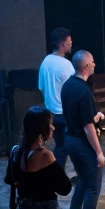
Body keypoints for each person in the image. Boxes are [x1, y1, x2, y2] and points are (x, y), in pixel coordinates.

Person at [60, 50, 105, 209]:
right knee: (92, 187)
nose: (95, 65)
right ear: (86, 67)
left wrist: (94, 117)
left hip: (70, 140)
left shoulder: (68, 86)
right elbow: (88, 128)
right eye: (93, 62)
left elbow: (80, 117)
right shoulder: (84, 91)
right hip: (83, 144)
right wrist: (99, 153)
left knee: (82, 179)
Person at [38, 27, 74, 172]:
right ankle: (58, 175)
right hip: (64, 113)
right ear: (62, 44)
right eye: (69, 41)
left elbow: (41, 87)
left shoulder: (45, 62)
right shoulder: (66, 65)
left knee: (61, 146)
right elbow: (73, 91)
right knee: (68, 146)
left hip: (51, 113)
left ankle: (57, 175)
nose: (71, 44)